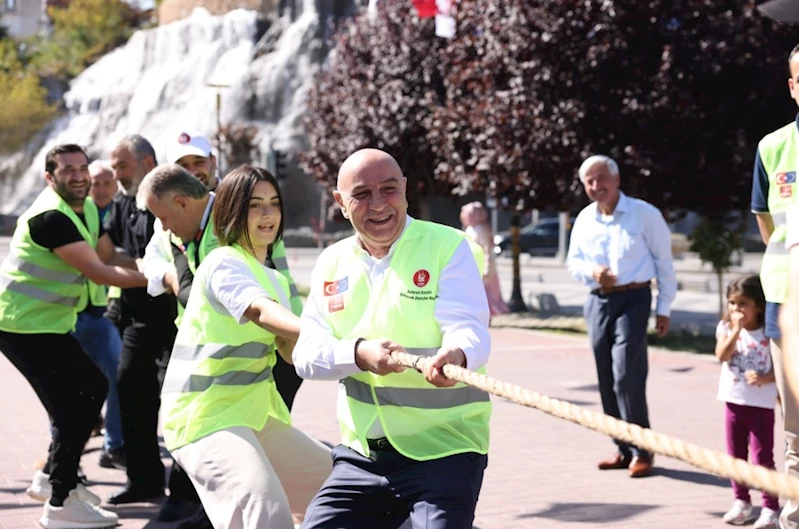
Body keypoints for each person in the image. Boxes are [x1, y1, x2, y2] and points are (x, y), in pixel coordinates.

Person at [293, 148, 491, 529]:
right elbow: (306, 354)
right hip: (361, 457)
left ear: (405, 189)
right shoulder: (331, 262)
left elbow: (469, 326)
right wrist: (358, 354)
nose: (379, 205)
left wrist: (459, 354)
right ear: (340, 203)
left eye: (388, 189)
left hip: (445, 451)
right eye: (362, 194)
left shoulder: (448, 246)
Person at [160, 165, 332, 529]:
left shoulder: (277, 281)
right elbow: (257, 310)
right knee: (264, 509)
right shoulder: (222, 262)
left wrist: (351, 349)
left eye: (273, 204)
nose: (267, 214)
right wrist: (324, 335)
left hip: (254, 416)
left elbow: (289, 351)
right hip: (202, 419)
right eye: (254, 205)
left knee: (341, 486)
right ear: (232, 211)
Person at [0, 144, 147, 528]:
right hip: (22, 325)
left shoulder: (82, 212)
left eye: (83, 167)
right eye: (68, 170)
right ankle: (60, 502)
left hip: (46, 323)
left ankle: (52, 480)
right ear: (50, 177)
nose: (79, 175)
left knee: (87, 393)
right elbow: (101, 272)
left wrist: (157, 261)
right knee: (78, 404)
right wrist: (163, 279)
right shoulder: (52, 217)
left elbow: (110, 255)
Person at [566, 154, 677, 478]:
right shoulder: (585, 219)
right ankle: (622, 447)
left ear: (616, 180)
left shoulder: (644, 214)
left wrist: (664, 308)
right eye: (589, 181)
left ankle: (643, 449)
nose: (595, 186)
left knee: (627, 374)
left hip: (635, 299)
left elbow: (664, 264)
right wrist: (592, 272)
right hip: (598, 302)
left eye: (601, 178)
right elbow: (574, 262)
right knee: (606, 378)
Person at [105, 134, 177, 504]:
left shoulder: (165, 199)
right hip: (136, 319)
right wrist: (143, 268)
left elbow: (168, 265)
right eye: (114, 166)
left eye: (122, 166)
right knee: (131, 393)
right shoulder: (120, 201)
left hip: (173, 322)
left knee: (180, 402)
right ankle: (144, 481)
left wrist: (135, 265)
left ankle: (189, 492)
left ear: (147, 162)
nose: (116, 174)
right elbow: (107, 253)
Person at [752, 42, 799, 529]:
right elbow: (768, 227)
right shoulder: (772, 146)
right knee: (797, 423)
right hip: (787, 300)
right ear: (792, 87)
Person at [716, 276, 779, 528]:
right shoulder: (726, 328)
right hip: (733, 400)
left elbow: (784, 367)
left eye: (743, 303)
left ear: (758, 306)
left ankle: (770, 507)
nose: (736, 309)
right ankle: (741, 502)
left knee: (762, 457)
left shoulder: (769, 333)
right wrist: (736, 330)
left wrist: (765, 377)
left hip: (761, 405)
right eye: (732, 303)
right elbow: (722, 355)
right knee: (735, 456)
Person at [460, 201, 509, 316]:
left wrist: (487, 267)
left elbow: (487, 249)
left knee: (485, 293)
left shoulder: (481, 229)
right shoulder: (470, 229)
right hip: (472, 266)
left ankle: (486, 316)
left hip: (481, 267)